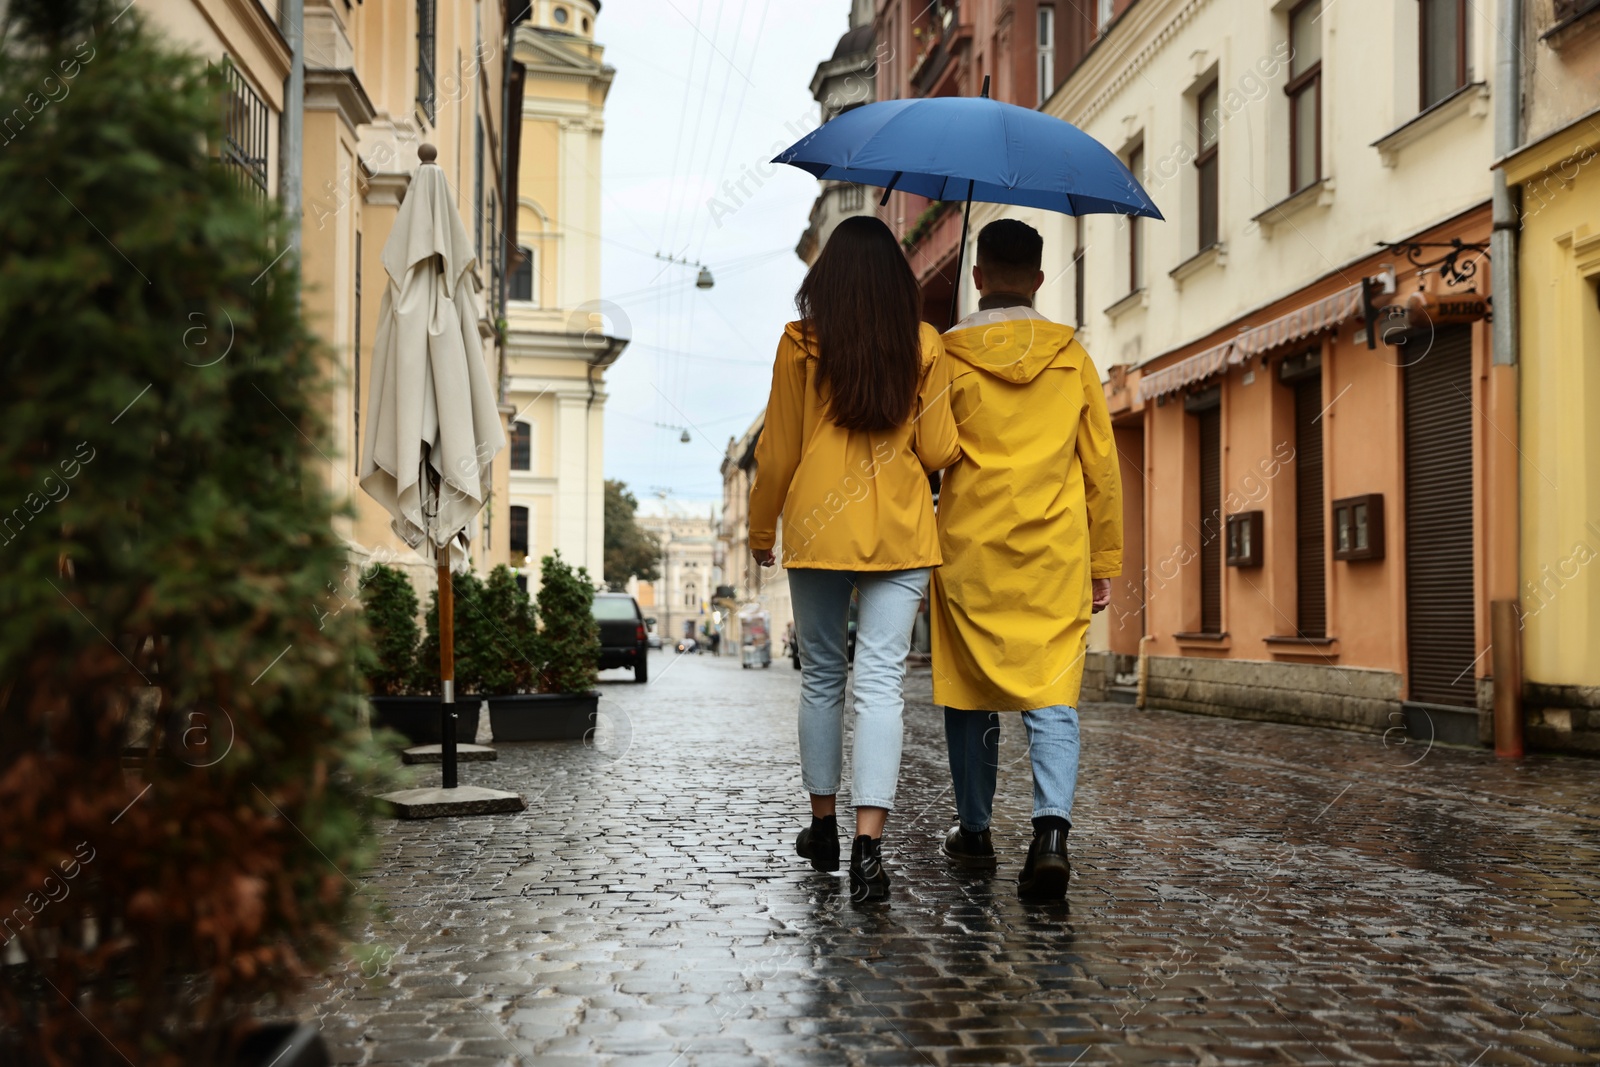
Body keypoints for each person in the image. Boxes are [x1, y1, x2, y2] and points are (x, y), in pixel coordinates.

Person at [748, 215, 960, 903]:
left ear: (826, 280)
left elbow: (777, 451)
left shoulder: (799, 343)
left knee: (822, 680)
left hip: (817, 527)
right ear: (899, 285)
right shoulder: (925, 345)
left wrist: (760, 529)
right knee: (879, 685)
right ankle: (870, 849)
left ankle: (824, 827)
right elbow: (935, 452)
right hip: (900, 529)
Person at [929, 218, 1123, 902]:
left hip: (969, 551)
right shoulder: (1071, 355)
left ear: (977, 276)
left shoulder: (948, 355)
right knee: (1051, 692)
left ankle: (976, 832)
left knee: (970, 692)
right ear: (1040, 280)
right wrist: (1104, 559)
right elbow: (1100, 465)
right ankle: (1050, 835)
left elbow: (931, 449)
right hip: (1054, 550)